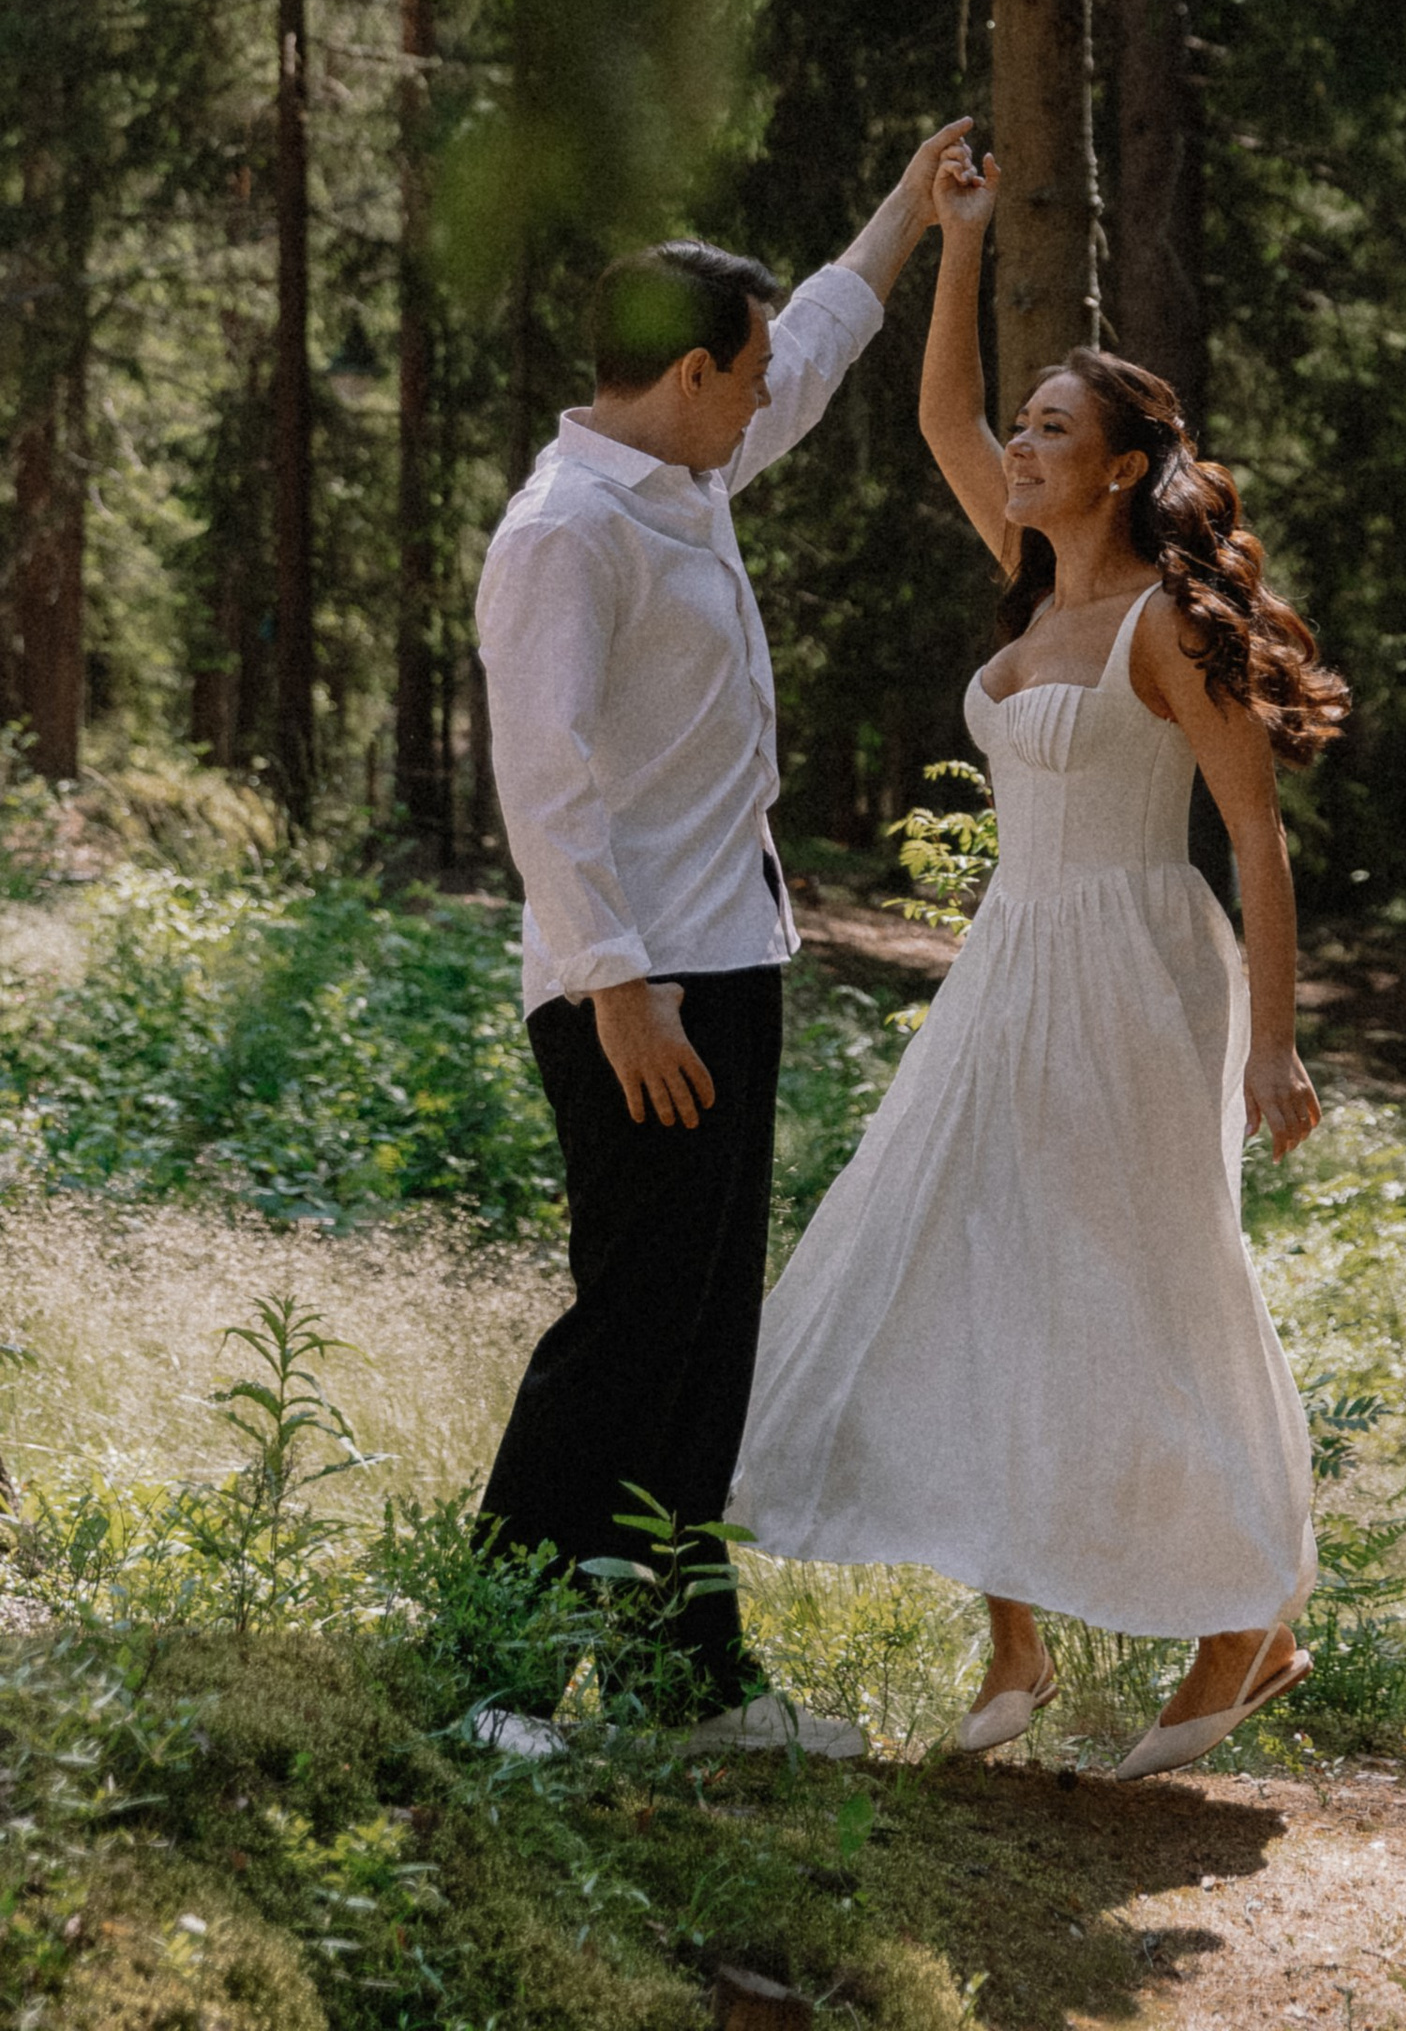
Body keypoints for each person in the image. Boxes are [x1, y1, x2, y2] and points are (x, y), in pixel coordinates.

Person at [732, 130, 1346, 1780]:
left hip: (1142, 972)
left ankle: (1246, 1620)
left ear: (1124, 469)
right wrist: (958, 242)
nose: (1018, 445)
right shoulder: (1031, 588)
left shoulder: (1169, 624)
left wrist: (1274, 1045)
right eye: (1028, 425)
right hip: (1010, 961)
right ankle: (1013, 1639)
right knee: (971, 1263)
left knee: (1146, 1286)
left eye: (1054, 429)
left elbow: (1255, 835)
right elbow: (943, 418)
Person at [473, 122, 970, 1739]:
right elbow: (543, 781)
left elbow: (810, 348)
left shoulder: (687, 479)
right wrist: (620, 989)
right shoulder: (568, 530)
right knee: (627, 1330)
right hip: (637, 986)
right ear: (688, 374)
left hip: (731, 960)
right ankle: (485, 1679)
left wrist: (907, 209)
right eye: (741, 377)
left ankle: (681, 1680)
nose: (764, 397)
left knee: (702, 1340)